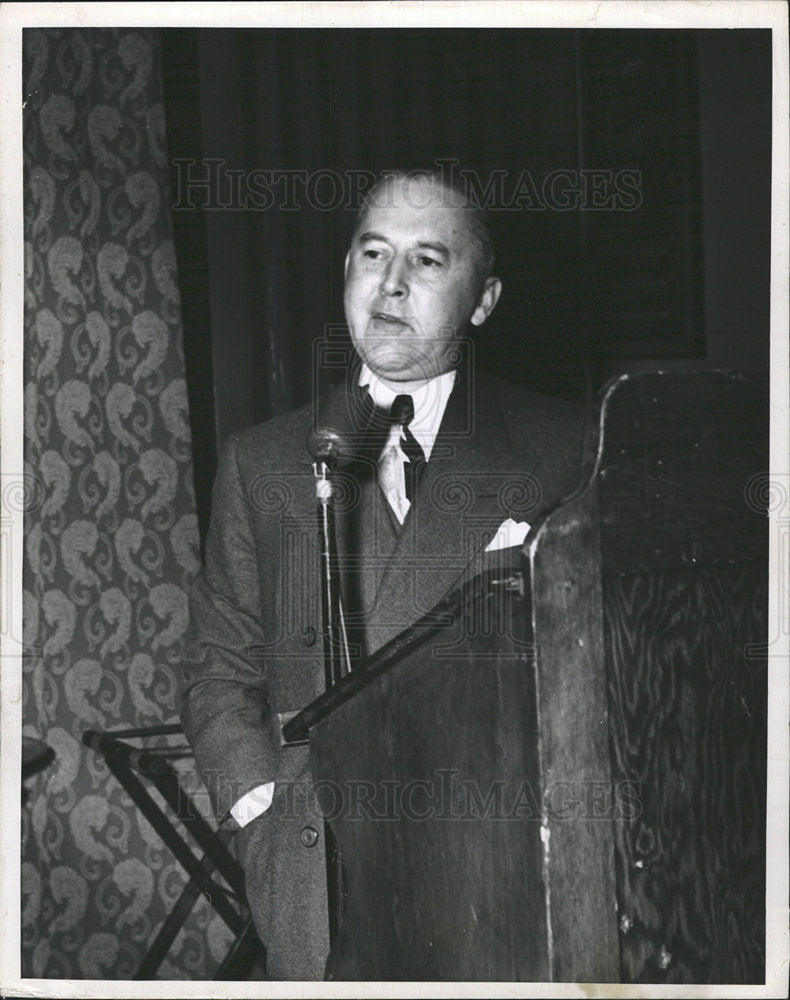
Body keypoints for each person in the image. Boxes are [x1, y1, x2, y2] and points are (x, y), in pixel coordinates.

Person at [180, 169, 587, 980]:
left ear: (484, 299)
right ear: (346, 274)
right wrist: (263, 811)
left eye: (428, 261)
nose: (392, 284)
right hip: (317, 880)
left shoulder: (565, 446)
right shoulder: (261, 460)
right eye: (373, 254)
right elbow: (217, 667)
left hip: (496, 871)